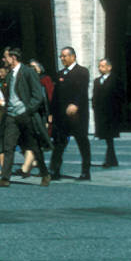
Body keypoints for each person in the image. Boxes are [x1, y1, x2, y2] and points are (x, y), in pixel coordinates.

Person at [0, 47, 52, 188]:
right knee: (8, 146)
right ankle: (5, 178)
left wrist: (28, 110)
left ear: (13, 57)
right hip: (11, 115)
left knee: (34, 146)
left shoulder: (28, 72)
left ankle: (45, 173)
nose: (4, 60)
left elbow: (38, 96)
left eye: (6, 57)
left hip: (26, 115)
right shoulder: (9, 75)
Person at [49, 47, 91, 181]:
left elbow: (82, 91)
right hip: (61, 116)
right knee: (59, 144)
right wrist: (51, 113)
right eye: (61, 56)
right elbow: (55, 96)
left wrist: (75, 104)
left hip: (77, 116)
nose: (62, 59)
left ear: (73, 57)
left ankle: (85, 171)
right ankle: (55, 170)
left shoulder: (82, 72)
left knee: (82, 142)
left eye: (65, 56)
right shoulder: (59, 74)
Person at [92, 58, 123, 168]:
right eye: (99, 66)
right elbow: (95, 97)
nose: (100, 68)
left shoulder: (115, 80)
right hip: (101, 114)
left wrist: (118, 112)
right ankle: (112, 160)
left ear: (109, 67)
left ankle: (109, 160)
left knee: (109, 137)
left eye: (103, 66)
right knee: (107, 138)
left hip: (111, 114)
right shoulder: (97, 81)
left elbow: (119, 97)